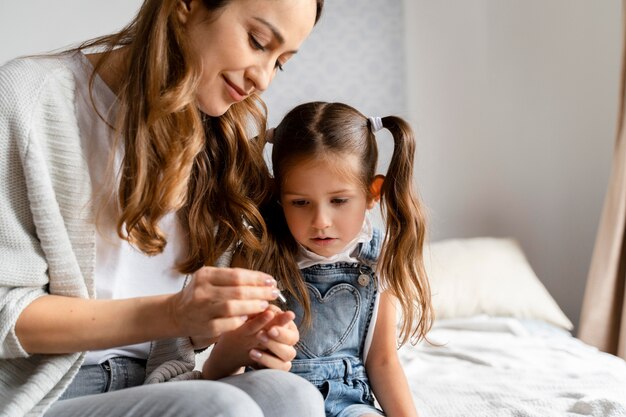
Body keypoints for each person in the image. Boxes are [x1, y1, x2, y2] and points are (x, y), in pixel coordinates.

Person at [0, 1, 326, 417]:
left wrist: (239, 343)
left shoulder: (222, 143)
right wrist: (174, 314)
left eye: (281, 62)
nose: (262, 78)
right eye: (258, 42)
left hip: (158, 384)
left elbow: (187, 353)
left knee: (293, 397)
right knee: (222, 407)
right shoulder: (28, 98)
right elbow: (5, 313)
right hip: (45, 394)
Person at [236, 101, 435, 417]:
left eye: (339, 200)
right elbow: (233, 357)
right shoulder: (258, 253)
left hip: (349, 402)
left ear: (372, 194)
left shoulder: (375, 256)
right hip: (276, 400)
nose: (321, 221)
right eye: (301, 202)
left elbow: (381, 360)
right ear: (278, 197)